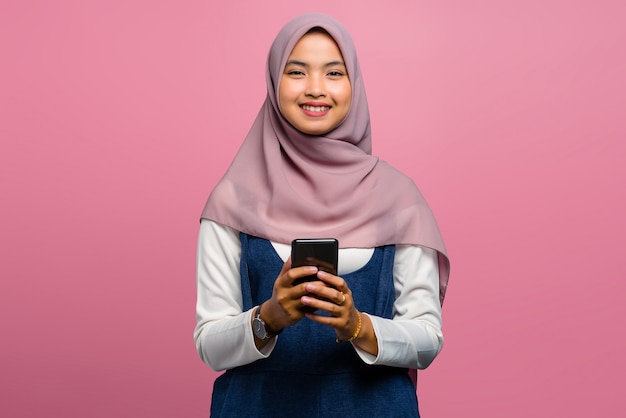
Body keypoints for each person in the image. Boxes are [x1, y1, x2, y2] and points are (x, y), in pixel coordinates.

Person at [194, 12, 450, 417]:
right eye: (297, 72)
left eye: (334, 73)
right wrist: (269, 317)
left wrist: (356, 326)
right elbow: (209, 344)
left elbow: (426, 339)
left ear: (354, 85)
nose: (316, 89)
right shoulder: (233, 200)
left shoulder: (399, 198)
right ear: (275, 81)